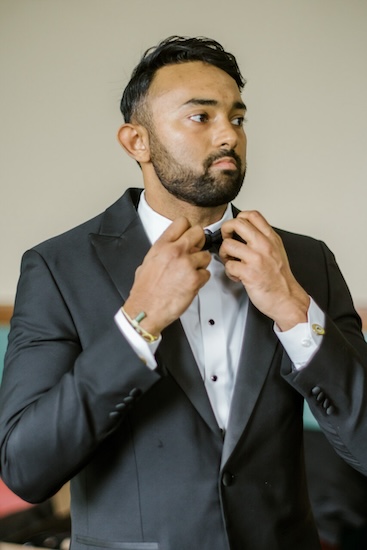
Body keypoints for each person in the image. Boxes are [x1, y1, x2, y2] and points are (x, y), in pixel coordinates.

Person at [0, 35, 367, 550]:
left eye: (237, 118)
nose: (228, 136)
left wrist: (292, 309)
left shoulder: (306, 262)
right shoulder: (59, 268)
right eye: (201, 117)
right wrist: (138, 322)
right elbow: (25, 468)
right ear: (137, 142)